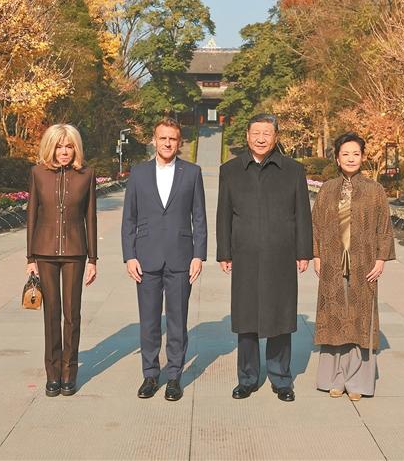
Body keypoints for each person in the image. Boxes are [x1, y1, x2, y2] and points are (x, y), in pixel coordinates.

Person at [216, 113, 313, 402]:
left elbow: (302, 214)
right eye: (256, 133)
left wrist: (303, 251)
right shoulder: (230, 170)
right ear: (247, 135)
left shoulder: (293, 170)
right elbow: (224, 214)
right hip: (244, 254)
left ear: (276, 137)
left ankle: (281, 378)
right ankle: (247, 378)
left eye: (267, 133)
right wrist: (224, 251)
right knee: (246, 318)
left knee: (280, 316)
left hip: (281, 254)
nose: (261, 138)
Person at [121, 118, 207, 402]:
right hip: (145, 257)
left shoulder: (192, 172)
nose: (167, 143)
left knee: (177, 321)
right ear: (154, 140)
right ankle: (150, 374)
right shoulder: (139, 173)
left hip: (181, 257)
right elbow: (129, 218)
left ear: (179, 142)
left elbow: (199, 217)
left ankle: (173, 377)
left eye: (172, 139)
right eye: (163, 138)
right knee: (148, 321)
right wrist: (129, 255)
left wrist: (198, 255)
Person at [311, 132, 395, 401]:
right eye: (345, 154)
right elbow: (316, 225)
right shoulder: (327, 189)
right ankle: (335, 378)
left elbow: (384, 227)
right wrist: (317, 255)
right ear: (337, 158)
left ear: (362, 157)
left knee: (361, 318)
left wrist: (381, 259)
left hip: (364, 262)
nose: (350, 158)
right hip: (332, 261)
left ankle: (357, 381)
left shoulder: (374, 190)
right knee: (334, 317)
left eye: (355, 154)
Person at [26, 124, 98, 398]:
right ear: (50, 147)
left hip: (75, 252)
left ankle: (69, 373)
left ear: (76, 148)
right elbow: (32, 214)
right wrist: (30, 257)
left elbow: (90, 216)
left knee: (72, 314)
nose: (64, 151)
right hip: (44, 251)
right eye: (59, 146)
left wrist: (93, 258)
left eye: (69, 146)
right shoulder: (38, 173)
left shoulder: (86, 174)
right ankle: (52, 373)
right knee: (51, 314)